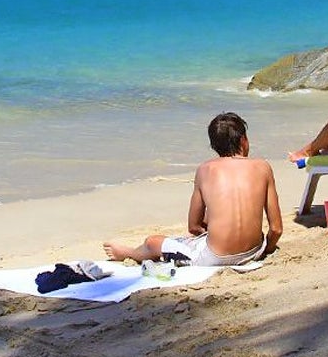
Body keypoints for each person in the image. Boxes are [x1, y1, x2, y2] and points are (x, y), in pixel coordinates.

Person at [104, 112, 282, 268]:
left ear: (214, 146)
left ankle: (128, 253)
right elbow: (276, 229)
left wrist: (209, 234)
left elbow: (194, 226)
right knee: (213, 217)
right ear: (243, 140)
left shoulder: (205, 169)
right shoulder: (263, 167)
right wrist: (265, 250)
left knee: (153, 242)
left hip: (214, 258)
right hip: (253, 251)